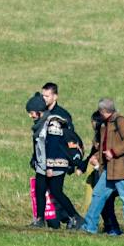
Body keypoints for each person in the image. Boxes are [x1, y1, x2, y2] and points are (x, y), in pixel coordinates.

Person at [82, 99, 124, 237]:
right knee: (98, 195)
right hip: (109, 170)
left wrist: (114, 152)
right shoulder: (106, 124)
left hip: (121, 170)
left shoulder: (121, 121)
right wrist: (97, 157)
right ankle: (89, 227)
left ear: (103, 111)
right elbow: (104, 147)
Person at [29, 89, 82, 230]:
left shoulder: (53, 122)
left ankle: (75, 217)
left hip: (56, 163)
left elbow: (53, 145)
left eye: (31, 112)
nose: (30, 115)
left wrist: (50, 167)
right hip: (42, 164)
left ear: (38, 111)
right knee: (40, 190)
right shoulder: (40, 123)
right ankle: (39, 219)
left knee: (56, 191)